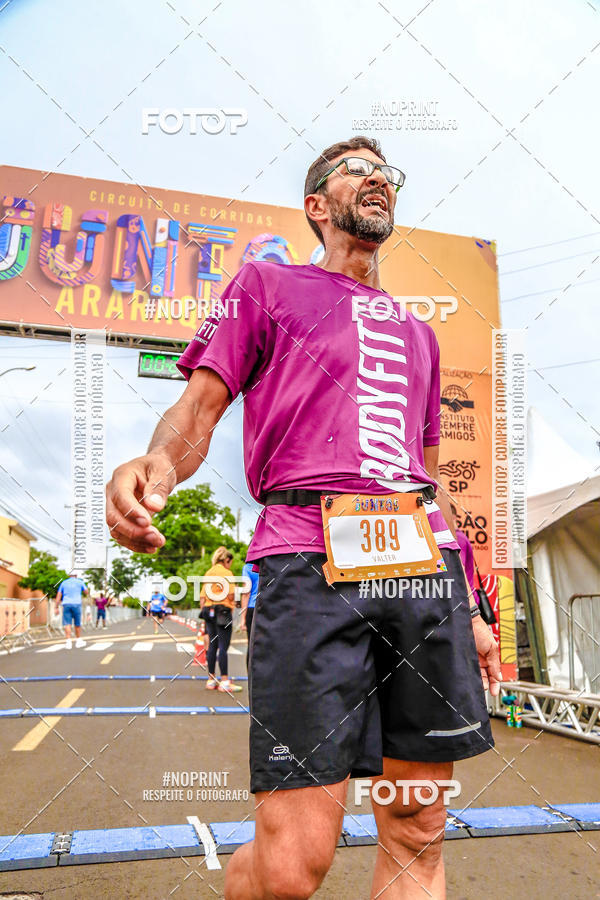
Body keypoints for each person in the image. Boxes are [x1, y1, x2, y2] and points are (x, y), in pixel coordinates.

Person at [106, 136, 501, 899]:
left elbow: (429, 484)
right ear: (317, 206)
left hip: (425, 577)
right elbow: (198, 408)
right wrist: (157, 464)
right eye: (356, 171)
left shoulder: (419, 335)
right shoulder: (265, 286)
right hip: (307, 562)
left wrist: (474, 607)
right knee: (294, 867)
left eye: (387, 172)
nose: (378, 178)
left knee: (419, 824)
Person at [199, 547, 242, 693]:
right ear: (226, 560)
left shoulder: (209, 573)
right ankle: (224, 681)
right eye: (230, 562)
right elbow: (230, 595)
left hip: (208, 609)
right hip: (222, 610)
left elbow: (202, 597)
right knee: (223, 646)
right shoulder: (227, 573)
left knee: (213, 645)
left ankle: (211, 680)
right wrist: (236, 602)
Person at [55, 573, 89, 649]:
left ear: (69, 575)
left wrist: (56, 607)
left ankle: (68, 641)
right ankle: (78, 640)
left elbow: (59, 595)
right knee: (77, 623)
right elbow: (86, 592)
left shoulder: (64, 583)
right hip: (76, 604)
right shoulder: (80, 582)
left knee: (67, 623)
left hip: (66, 604)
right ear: (76, 576)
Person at [450, 502, 477, 598]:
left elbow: (458, 570)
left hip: (464, 599)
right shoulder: (459, 537)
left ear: (453, 517)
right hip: (464, 598)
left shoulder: (458, 538)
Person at [240, 556, 259, 671]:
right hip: (267, 607)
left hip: (252, 608)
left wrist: (243, 618)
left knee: (251, 644)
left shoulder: (248, 568)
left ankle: (251, 677)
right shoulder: (269, 566)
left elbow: (246, 593)